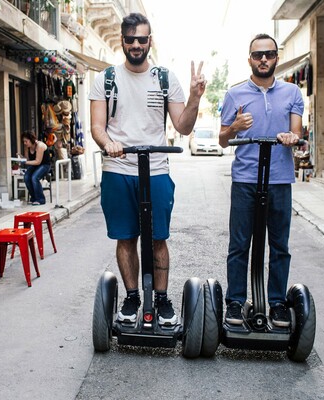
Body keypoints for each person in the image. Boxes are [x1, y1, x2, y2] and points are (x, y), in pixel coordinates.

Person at [89, 13, 206, 326]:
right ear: (123, 41)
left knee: (157, 239)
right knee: (125, 238)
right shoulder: (106, 79)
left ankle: (163, 299)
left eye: (142, 39)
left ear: (149, 40)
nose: (136, 44)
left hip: (155, 170)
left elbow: (182, 126)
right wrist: (108, 142)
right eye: (130, 39)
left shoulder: (165, 79)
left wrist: (194, 98)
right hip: (117, 168)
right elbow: (97, 127)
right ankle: (131, 298)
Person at [218, 33, 303, 328]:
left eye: (268, 54)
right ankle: (235, 301)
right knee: (240, 244)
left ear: (276, 57)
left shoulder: (292, 93)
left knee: (280, 245)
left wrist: (291, 137)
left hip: (279, 179)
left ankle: (277, 302)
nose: (263, 59)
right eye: (257, 55)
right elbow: (222, 140)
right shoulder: (235, 94)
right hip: (245, 180)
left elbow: (296, 132)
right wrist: (235, 127)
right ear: (250, 59)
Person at [21, 131, 52, 206]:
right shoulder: (27, 147)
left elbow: (38, 161)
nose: (25, 143)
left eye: (26, 141)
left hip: (45, 165)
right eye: (24, 141)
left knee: (34, 177)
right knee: (26, 177)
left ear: (31, 140)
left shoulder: (40, 146)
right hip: (35, 165)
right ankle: (34, 198)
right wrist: (21, 158)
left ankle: (41, 199)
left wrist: (25, 162)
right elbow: (28, 159)